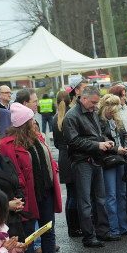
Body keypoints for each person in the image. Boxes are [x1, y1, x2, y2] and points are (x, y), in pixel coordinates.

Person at [0, 103, 65, 253]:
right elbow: (12, 171)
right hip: (27, 195)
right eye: (30, 120)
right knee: (28, 233)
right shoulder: (7, 144)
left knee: (48, 230)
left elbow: (48, 159)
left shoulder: (38, 137)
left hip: (46, 192)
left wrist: (53, 169)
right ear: (24, 123)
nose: (34, 122)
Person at [63, 85, 112, 247]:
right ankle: (89, 236)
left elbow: (97, 133)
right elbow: (74, 141)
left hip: (94, 159)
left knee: (100, 199)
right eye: (93, 102)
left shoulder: (90, 111)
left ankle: (102, 232)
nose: (95, 106)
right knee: (85, 202)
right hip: (82, 161)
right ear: (83, 99)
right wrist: (98, 145)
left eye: (96, 102)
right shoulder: (71, 116)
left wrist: (105, 141)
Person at [97, 94, 127, 238]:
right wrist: (117, 148)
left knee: (122, 194)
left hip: (120, 159)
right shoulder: (99, 121)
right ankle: (114, 228)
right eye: (111, 106)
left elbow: (125, 136)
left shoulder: (117, 120)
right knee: (111, 195)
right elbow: (101, 139)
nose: (114, 110)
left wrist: (126, 146)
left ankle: (124, 226)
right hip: (109, 161)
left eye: (115, 106)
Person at [51, 91, 81, 238]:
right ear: (71, 100)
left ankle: (72, 227)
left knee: (71, 194)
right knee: (77, 194)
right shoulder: (73, 115)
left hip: (63, 157)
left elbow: (56, 143)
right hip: (74, 156)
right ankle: (77, 227)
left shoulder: (55, 118)